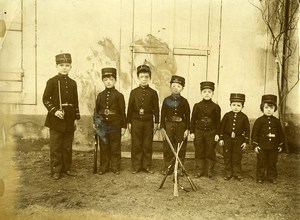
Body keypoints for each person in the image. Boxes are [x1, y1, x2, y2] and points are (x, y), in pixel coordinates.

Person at [43, 53, 80, 180]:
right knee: (56, 145)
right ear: (56, 66)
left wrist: (75, 118)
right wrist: (54, 111)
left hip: (69, 118)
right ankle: (56, 169)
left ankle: (67, 168)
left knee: (67, 145)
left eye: (67, 65)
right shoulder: (52, 81)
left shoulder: (73, 83)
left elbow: (75, 102)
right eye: (61, 65)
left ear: (70, 67)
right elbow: (46, 99)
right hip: (56, 119)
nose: (64, 68)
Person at [127, 65, 159, 174]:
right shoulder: (134, 92)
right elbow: (129, 108)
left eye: (146, 77)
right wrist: (129, 122)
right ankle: (136, 166)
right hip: (135, 121)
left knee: (147, 144)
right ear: (138, 78)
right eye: (141, 77)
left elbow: (156, 109)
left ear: (150, 78)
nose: (144, 79)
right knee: (136, 144)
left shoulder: (153, 93)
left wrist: (157, 122)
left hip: (148, 121)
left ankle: (147, 166)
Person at [94, 67, 126, 175]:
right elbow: (96, 111)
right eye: (106, 80)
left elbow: (122, 112)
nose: (108, 82)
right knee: (104, 146)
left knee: (115, 146)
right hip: (102, 125)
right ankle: (104, 166)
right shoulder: (100, 95)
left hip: (115, 124)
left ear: (115, 81)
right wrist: (95, 123)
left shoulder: (119, 95)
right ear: (103, 81)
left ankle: (116, 166)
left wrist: (123, 126)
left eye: (111, 79)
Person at [160, 75, 190, 176]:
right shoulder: (166, 100)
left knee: (180, 147)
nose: (176, 88)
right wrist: (162, 127)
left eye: (178, 86)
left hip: (181, 126)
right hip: (168, 125)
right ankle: (168, 167)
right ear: (170, 86)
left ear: (182, 88)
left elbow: (188, 116)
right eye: (173, 86)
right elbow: (163, 115)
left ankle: (179, 168)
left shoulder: (184, 101)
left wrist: (187, 129)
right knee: (168, 146)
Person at [190, 81, 220, 178]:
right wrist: (192, 131)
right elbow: (193, 120)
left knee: (210, 150)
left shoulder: (216, 107)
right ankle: (199, 170)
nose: (207, 93)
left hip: (211, 132)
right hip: (199, 131)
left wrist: (217, 134)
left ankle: (209, 170)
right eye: (204, 91)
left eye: (209, 92)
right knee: (199, 150)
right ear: (201, 93)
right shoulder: (197, 106)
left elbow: (218, 122)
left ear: (213, 93)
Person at [252, 94, 284, 184]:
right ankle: (260, 177)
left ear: (274, 109)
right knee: (261, 162)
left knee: (272, 163)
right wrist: (255, 145)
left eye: (271, 107)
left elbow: (280, 134)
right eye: (266, 107)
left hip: (273, 147)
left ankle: (272, 177)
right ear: (262, 108)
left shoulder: (276, 121)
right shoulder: (259, 121)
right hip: (262, 147)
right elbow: (255, 133)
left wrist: (280, 145)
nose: (269, 110)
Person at [219, 93, 250, 181]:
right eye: (234, 105)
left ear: (242, 106)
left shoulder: (244, 117)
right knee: (227, 156)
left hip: (238, 139)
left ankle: (237, 173)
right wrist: (221, 138)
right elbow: (222, 127)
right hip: (227, 139)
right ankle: (228, 173)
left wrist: (245, 141)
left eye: (238, 105)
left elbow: (247, 130)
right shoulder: (227, 115)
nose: (236, 107)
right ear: (230, 105)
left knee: (237, 156)